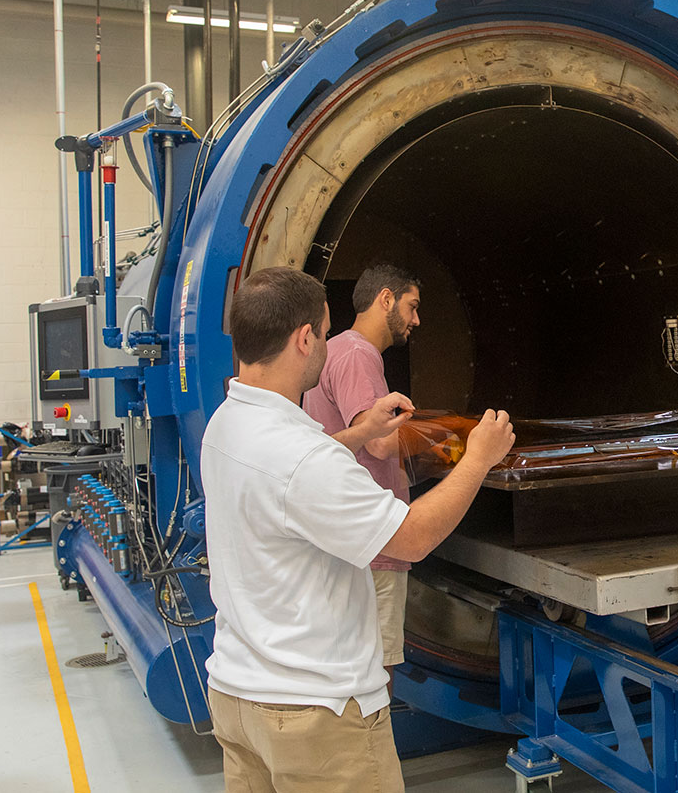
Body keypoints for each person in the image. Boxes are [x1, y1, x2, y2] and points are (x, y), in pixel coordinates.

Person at [202, 266, 514, 793]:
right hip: (315, 716)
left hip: (238, 697)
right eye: (324, 333)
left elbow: (294, 483)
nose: (329, 344)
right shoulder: (300, 457)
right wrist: (478, 459)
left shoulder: (226, 425)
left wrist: (362, 431)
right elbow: (412, 535)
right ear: (304, 339)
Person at [302, 264, 421, 689]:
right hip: (373, 541)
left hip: (347, 539)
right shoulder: (357, 355)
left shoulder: (334, 350)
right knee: (377, 672)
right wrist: (446, 437)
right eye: (412, 306)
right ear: (385, 299)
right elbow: (380, 443)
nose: (416, 320)